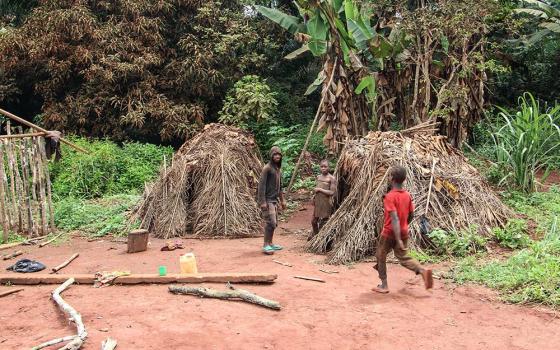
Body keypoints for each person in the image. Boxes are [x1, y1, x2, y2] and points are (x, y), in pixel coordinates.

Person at [373, 166, 433, 293]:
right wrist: (404, 227)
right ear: (404, 179)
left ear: (392, 179)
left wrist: (398, 237)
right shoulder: (407, 195)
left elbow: (394, 218)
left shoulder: (389, 197)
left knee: (380, 255)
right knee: (403, 257)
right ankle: (422, 271)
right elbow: (411, 214)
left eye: (389, 176)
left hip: (389, 232)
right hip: (404, 231)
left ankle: (384, 285)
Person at [257, 146, 286, 255]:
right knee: (271, 222)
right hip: (267, 200)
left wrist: (282, 200)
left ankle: (271, 243)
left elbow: (280, 187)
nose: (277, 156)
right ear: (271, 156)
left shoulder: (277, 169)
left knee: (275, 223)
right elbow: (261, 186)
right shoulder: (267, 168)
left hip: (274, 200)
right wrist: (262, 202)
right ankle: (266, 245)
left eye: (279, 154)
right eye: (275, 154)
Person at [310, 160, 336, 239]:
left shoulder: (332, 178)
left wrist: (320, 190)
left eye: (325, 166)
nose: (323, 168)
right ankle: (316, 237)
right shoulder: (318, 177)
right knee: (313, 221)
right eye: (322, 167)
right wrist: (313, 197)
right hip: (318, 202)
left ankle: (324, 239)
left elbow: (332, 192)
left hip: (326, 202)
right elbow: (316, 189)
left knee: (325, 221)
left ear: (329, 167)